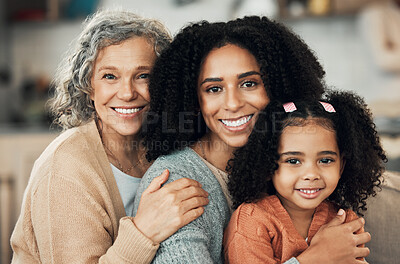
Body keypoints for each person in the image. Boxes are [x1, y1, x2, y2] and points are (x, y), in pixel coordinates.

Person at [133, 16, 371, 264]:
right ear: (193, 100)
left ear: (277, 86)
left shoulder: (296, 164)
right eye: (214, 89)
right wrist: (314, 259)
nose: (233, 103)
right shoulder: (176, 184)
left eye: (249, 83)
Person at [10, 10, 209, 263]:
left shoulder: (163, 145)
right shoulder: (66, 168)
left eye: (143, 76)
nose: (126, 93)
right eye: (110, 76)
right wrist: (144, 231)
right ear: (88, 86)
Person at [224, 90, 387, 263]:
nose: (311, 175)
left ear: (342, 166)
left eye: (325, 160)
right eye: (293, 161)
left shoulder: (344, 221)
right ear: (268, 166)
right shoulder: (252, 221)